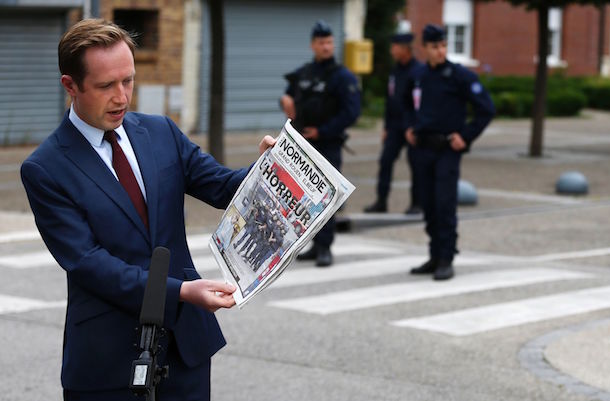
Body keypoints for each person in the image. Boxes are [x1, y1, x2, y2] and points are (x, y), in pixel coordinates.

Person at [19, 19, 276, 401]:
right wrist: (182, 292)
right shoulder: (45, 168)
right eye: (106, 86)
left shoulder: (160, 132)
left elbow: (221, 186)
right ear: (70, 86)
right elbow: (90, 264)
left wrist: (271, 170)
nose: (122, 97)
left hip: (185, 347)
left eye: (129, 81)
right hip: (106, 360)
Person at [405, 24, 495, 281]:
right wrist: (408, 127)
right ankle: (434, 255)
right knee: (428, 204)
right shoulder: (418, 74)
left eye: (443, 46)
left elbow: (486, 109)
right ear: (425, 48)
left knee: (444, 205)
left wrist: (465, 137)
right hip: (422, 149)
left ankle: (446, 258)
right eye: (435, 47)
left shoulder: (460, 76)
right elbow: (403, 103)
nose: (440, 51)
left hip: (446, 150)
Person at [280, 20, 361, 267]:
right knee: (306, 200)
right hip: (303, 146)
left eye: (329, 42)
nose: (326, 47)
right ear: (313, 45)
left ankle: (325, 247)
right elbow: (287, 98)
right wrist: (285, 103)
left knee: (327, 198)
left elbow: (351, 112)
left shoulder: (342, 76)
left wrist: (323, 131)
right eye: (321, 43)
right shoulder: (304, 73)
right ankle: (314, 244)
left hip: (327, 144)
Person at [364, 27, 423, 214]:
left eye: (395, 46)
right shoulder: (395, 71)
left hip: (412, 127)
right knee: (385, 161)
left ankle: (417, 203)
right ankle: (381, 201)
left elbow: (419, 104)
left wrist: (415, 126)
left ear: (405, 48)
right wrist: (386, 127)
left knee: (417, 165)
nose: (392, 50)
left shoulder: (419, 71)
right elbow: (390, 100)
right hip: (396, 127)